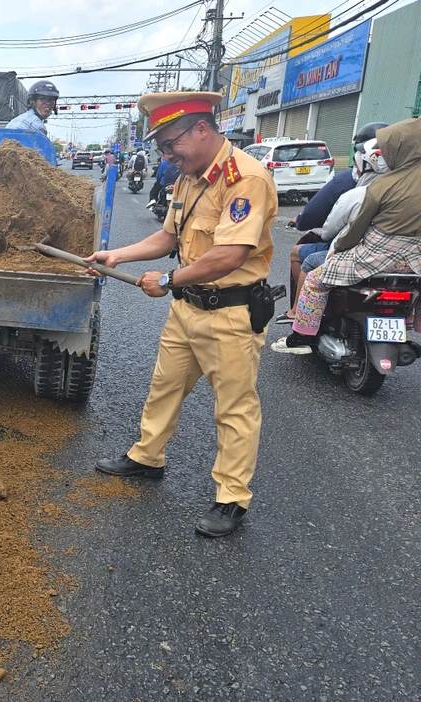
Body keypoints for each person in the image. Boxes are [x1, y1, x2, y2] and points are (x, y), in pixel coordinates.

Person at [85, 91, 277, 538]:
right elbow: (168, 237)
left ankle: (232, 497)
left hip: (231, 312)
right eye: (162, 147)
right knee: (164, 386)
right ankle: (147, 457)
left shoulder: (245, 178)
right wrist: (117, 255)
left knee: (234, 409)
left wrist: (169, 280)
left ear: (202, 129)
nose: (167, 155)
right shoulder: (190, 177)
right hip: (187, 308)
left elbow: (230, 254)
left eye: (171, 144)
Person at [274, 118, 421, 353]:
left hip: (375, 258)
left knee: (314, 281)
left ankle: (302, 335)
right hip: (414, 262)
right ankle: (412, 321)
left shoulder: (380, 186)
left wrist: (337, 250)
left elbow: (354, 230)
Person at [279, 121, 390, 320]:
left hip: (356, 257)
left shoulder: (354, 193)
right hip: (400, 261)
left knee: (308, 260)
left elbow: (329, 229)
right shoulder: (406, 191)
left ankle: (300, 315)